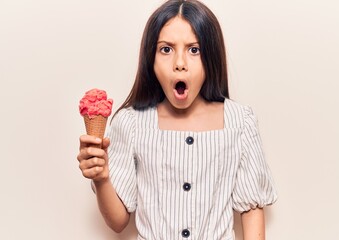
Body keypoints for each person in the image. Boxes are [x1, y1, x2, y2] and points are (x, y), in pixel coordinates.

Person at [77, 0, 277, 239]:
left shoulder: (240, 121)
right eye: (166, 49)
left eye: (194, 50)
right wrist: (101, 178)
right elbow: (119, 222)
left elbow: (251, 209)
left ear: (211, 56)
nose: (179, 64)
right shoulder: (131, 123)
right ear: (150, 59)